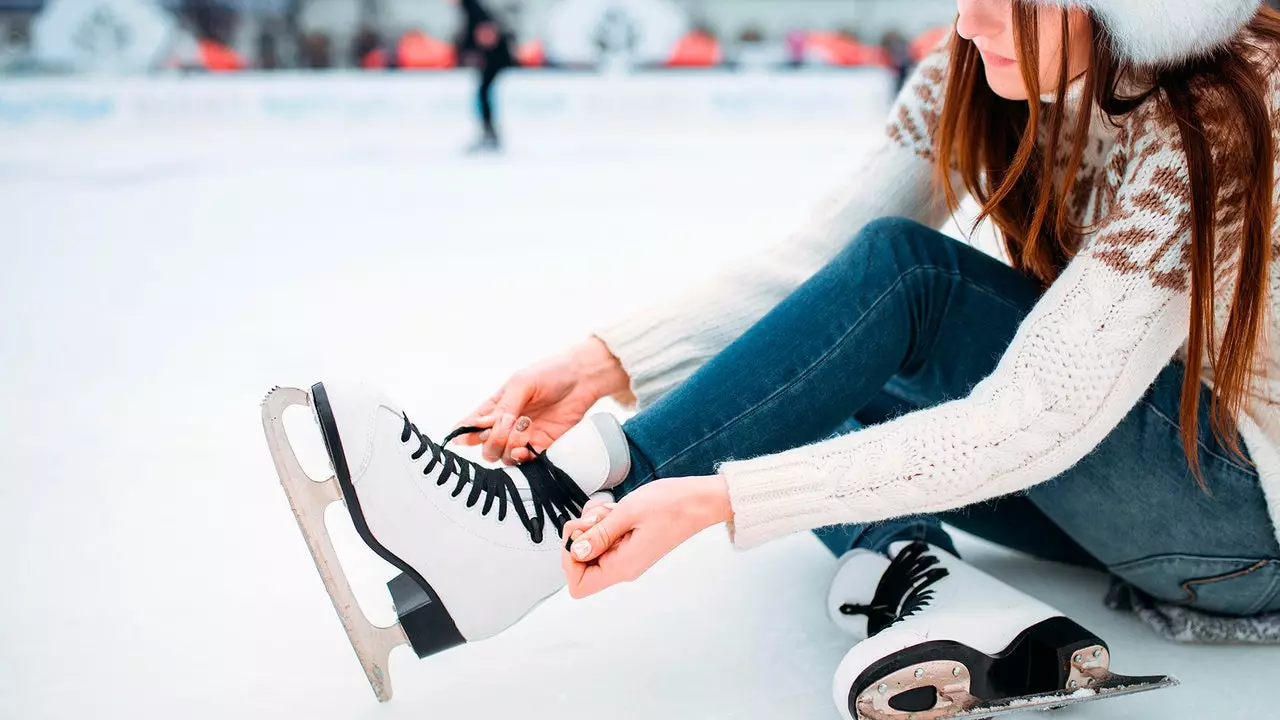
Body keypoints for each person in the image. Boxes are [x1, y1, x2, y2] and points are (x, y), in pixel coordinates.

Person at [283, 0, 1280, 716]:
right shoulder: (982, 53)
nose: (966, 22)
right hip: (1122, 482)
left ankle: (533, 525)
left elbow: (1038, 409)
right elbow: (818, 275)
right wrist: (602, 361)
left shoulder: (1235, 102)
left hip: (1239, 526)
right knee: (808, 368)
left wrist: (720, 499)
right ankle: (922, 578)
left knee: (910, 283)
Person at [450, 0, 516, 153]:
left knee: (484, 92)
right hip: (492, 58)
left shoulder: (470, 6)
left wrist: (474, 51)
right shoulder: (470, 6)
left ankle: (489, 133)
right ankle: (488, 131)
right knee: (483, 92)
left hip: (495, 58)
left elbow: (487, 31)